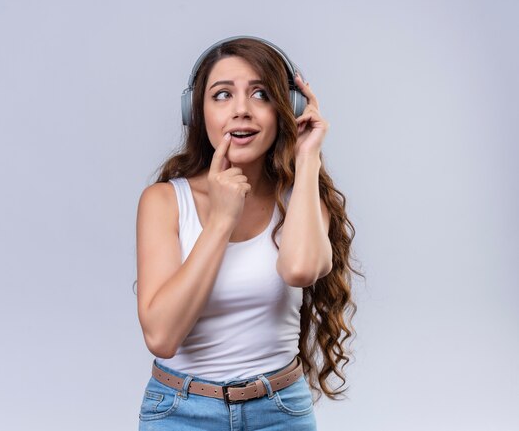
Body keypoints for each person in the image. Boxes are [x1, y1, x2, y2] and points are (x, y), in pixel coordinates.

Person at [135, 36, 362, 430]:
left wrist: (307, 158)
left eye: (260, 94)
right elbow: (162, 337)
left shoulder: (302, 197)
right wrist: (221, 221)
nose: (241, 110)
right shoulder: (163, 201)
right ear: (196, 112)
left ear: (285, 109)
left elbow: (300, 270)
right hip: (180, 412)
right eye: (222, 95)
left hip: (279, 411)